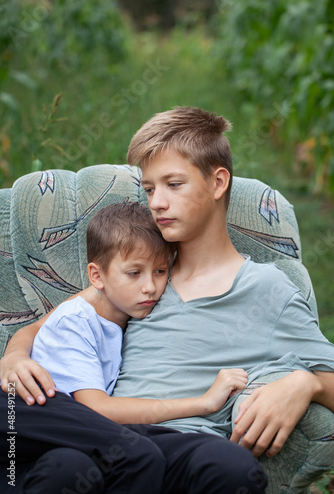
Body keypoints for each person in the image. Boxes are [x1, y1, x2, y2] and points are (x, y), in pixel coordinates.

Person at [1, 106, 334, 478]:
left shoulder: (267, 290)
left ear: (218, 183)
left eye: (173, 185)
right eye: (149, 189)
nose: (156, 202)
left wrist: (307, 384)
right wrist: (14, 356)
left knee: (233, 468)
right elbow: (50, 324)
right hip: (100, 439)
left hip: (183, 447)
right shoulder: (142, 274)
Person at [0, 201, 267, 494]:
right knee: (137, 454)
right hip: (27, 411)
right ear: (97, 276)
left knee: (225, 462)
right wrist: (203, 402)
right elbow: (95, 408)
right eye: (134, 273)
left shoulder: (124, 307)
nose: (150, 287)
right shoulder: (77, 318)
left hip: (68, 444)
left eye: (160, 271)